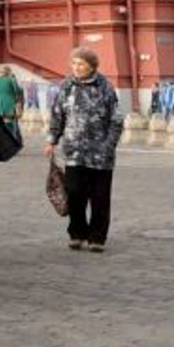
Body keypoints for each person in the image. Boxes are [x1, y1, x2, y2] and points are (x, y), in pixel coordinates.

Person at [46, 46, 124, 253]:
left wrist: (109, 145)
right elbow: (57, 115)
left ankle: (97, 237)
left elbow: (116, 120)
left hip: (101, 155)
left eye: (81, 64)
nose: (76, 67)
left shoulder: (105, 87)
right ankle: (77, 234)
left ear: (92, 66)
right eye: (74, 63)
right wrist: (52, 140)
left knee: (100, 197)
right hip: (74, 153)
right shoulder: (66, 86)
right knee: (75, 195)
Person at [0, 65, 22, 137]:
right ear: (9, 72)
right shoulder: (11, 80)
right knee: (12, 128)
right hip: (9, 107)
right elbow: (17, 92)